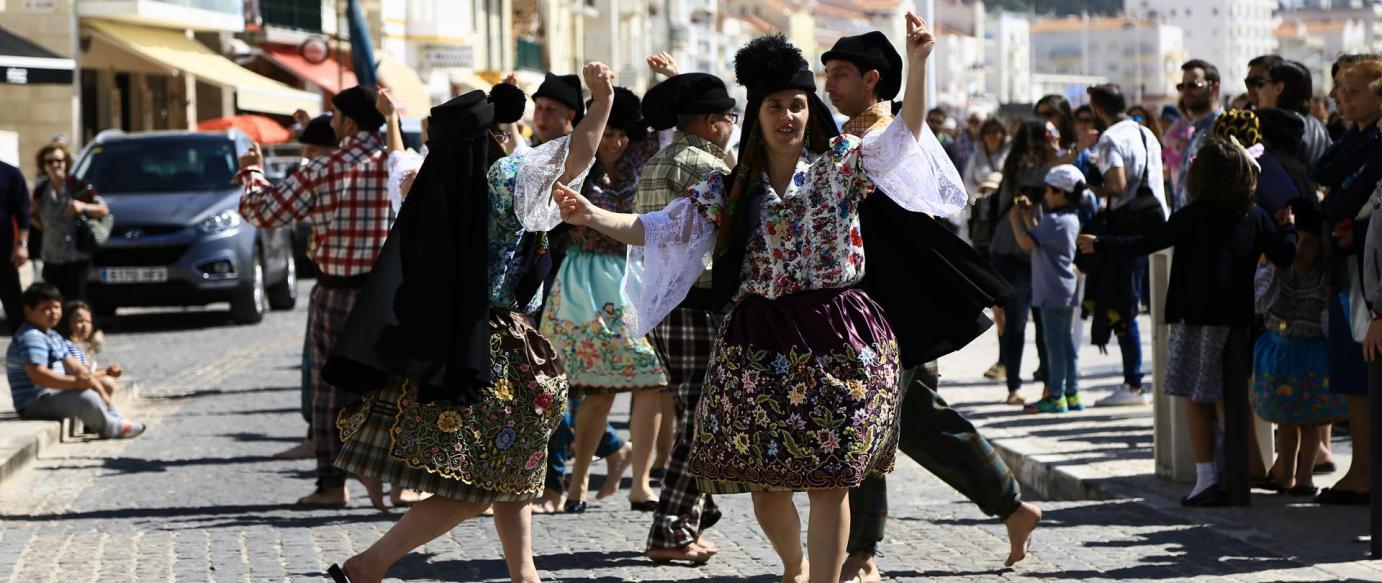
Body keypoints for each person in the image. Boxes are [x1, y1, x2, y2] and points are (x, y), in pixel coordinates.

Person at [557, 18, 974, 582]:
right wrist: (591, 215)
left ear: (810, 110)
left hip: (839, 335)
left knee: (831, 480)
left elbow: (905, 134)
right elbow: (658, 227)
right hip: (759, 339)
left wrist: (919, 63)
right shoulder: (730, 186)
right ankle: (793, 566)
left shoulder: (843, 163)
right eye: (775, 106)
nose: (788, 116)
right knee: (764, 481)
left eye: (798, 104)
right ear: (757, 114)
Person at [322, 65, 613, 583]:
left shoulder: (429, 184)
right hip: (497, 347)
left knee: (513, 469)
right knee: (480, 483)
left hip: (452, 341)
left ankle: (525, 575)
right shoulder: (505, 180)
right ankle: (369, 564)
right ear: (497, 138)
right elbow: (580, 152)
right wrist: (603, 99)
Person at [822, 30, 1039, 579]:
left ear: (873, 80)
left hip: (900, 311)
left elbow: (910, 122)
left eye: (840, 73)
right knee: (918, 422)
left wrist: (918, 63)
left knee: (861, 420)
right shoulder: (837, 139)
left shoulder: (892, 136)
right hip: (864, 309)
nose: (830, 84)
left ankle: (861, 552)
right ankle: (1014, 507)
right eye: (826, 73)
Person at [1078, 137, 1297, 507]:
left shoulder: (1191, 216)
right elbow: (1285, 254)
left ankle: (1207, 478)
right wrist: (1289, 226)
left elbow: (1145, 242)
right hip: (1238, 320)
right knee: (1230, 397)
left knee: (1195, 397)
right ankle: (1235, 474)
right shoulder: (1255, 215)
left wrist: (1099, 244)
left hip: (1194, 318)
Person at [236, 85, 396, 509]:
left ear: (346, 121)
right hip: (387, 297)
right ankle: (399, 478)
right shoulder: (398, 162)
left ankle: (332, 484)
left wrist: (252, 174)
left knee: (329, 389)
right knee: (390, 386)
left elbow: (264, 211)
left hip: (336, 292)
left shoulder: (325, 168)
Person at [540, 85, 669, 514]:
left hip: (632, 277)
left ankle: (642, 483)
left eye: (621, 134)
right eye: (607, 133)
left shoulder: (639, 163)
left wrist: (658, 79)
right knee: (593, 388)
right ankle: (576, 484)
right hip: (585, 281)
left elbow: (660, 133)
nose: (613, 141)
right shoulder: (577, 167)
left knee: (650, 379)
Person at [635, 68, 740, 564]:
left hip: (664, 306)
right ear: (715, 121)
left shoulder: (661, 160)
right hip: (697, 304)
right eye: (731, 119)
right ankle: (671, 529)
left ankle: (696, 511)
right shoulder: (704, 167)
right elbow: (731, 235)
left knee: (692, 413)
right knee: (698, 421)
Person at [1310, 57, 1382, 506]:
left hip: (1369, 278)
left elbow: (1342, 201)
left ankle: (1366, 473)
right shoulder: (1351, 140)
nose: (1340, 98)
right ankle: (1363, 469)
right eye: (1338, 89)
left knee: (1363, 375)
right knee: (1354, 376)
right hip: (1352, 269)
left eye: (1351, 91)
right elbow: (1324, 185)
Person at [1251, 199, 1345, 496]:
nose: (1302, 249)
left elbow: (1329, 322)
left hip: (1310, 357)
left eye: (1310, 243)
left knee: (1310, 422)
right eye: (1299, 240)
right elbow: (1260, 302)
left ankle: (1304, 477)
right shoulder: (1279, 271)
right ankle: (1285, 474)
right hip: (1281, 355)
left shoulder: (1324, 280)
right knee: (1286, 422)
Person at [1082, 84, 1167, 408]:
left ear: (1098, 110)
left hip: (1129, 228)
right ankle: (1151, 380)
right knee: (1150, 304)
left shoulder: (1110, 138)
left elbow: (1116, 185)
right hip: (1157, 222)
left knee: (1123, 304)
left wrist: (1088, 184)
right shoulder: (1145, 133)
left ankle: (1133, 383)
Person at [7, 283, 144, 439]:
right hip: (34, 402)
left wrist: (98, 390)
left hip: (53, 393)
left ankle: (112, 417)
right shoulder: (31, 337)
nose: (53, 313)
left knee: (101, 385)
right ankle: (111, 427)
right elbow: (38, 375)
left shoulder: (52, 335)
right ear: (29, 311)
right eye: (46, 308)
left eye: (57, 307)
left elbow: (77, 368)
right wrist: (74, 383)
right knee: (85, 398)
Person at [988, 120, 1060, 404]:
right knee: (1017, 322)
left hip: (1033, 252)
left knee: (1041, 323)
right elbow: (1045, 173)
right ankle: (1014, 386)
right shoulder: (1020, 168)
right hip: (1011, 254)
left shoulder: (1033, 166)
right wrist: (1074, 148)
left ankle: (1044, 386)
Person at [1011, 165, 1085, 414]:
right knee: (1066, 343)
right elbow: (1038, 237)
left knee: (1054, 346)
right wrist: (1027, 216)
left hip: (1052, 290)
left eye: (1049, 190)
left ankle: (1055, 396)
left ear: (1061, 192)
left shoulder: (1054, 221)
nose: (1045, 195)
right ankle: (1072, 394)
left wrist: (1013, 218)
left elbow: (1025, 243)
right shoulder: (1069, 218)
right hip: (1064, 288)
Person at [31, 143, 108, 302]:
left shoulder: (78, 185)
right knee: (54, 302)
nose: (55, 165)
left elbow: (103, 210)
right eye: (49, 162)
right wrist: (31, 215)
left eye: (58, 160)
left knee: (76, 302)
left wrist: (83, 206)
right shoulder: (41, 189)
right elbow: (42, 225)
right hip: (51, 257)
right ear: (44, 166)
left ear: (65, 162)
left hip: (77, 256)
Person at [1252, 58, 1329, 166]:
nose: (1256, 90)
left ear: (1279, 88)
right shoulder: (1320, 128)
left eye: (1261, 83)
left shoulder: (1272, 125)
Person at [1174, 59, 1225, 211]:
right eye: (1181, 86)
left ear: (1214, 88)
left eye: (1193, 85)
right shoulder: (1197, 128)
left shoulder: (1222, 128)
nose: (1185, 91)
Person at [57, 299, 123, 401]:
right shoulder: (68, 346)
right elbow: (83, 376)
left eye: (88, 321)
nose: (85, 326)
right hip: (69, 388)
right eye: (79, 321)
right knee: (107, 383)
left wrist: (107, 370)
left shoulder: (79, 345)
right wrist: (106, 372)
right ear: (66, 322)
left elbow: (87, 370)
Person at [964, 118, 1009, 256]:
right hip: (981, 208)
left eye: (996, 131)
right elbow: (968, 181)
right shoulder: (975, 156)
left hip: (1003, 208)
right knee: (980, 248)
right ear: (983, 135)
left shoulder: (1009, 154)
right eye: (988, 132)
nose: (992, 135)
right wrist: (981, 193)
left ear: (1002, 134)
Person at [0, 160, 30, 333]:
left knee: (14, 306)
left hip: (4, 252)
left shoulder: (10, 173)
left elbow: (23, 211)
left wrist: (22, 244)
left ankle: (25, 353)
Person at [531, 72, 584, 145]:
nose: (542, 116)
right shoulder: (532, 152)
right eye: (538, 107)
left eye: (551, 109)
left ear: (570, 116)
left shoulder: (580, 153)